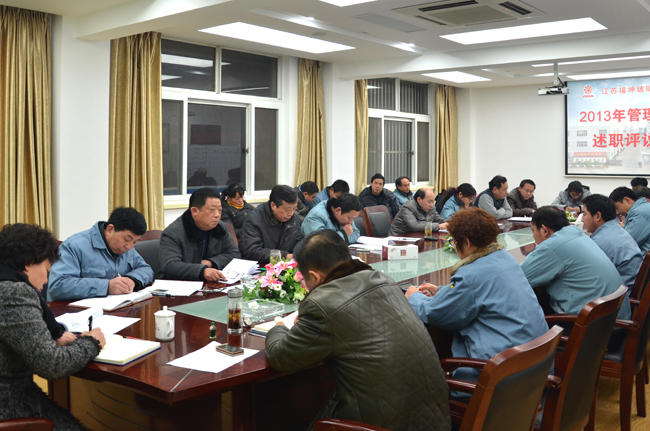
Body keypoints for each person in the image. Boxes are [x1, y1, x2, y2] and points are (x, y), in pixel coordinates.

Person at [265, 230, 451, 430]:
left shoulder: (322, 304)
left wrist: (279, 326)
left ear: (315, 276)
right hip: (435, 420)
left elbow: (280, 357)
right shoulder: (384, 280)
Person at [405, 208, 547, 388]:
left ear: (467, 242)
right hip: (532, 368)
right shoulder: (505, 258)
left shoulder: (471, 275)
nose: (454, 246)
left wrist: (414, 296)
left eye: (454, 241)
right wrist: (442, 292)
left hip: (498, 378)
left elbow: (435, 313)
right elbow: (478, 292)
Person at [0, 223, 106, 429]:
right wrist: (92, 342)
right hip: (10, 405)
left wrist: (51, 337)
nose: (46, 279)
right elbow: (53, 366)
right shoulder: (13, 293)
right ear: (29, 263)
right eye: (46, 270)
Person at [520, 206, 629, 319]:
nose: (533, 236)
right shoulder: (576, 234)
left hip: (590, 324)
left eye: (533, 230)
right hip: (615, 318)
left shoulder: (552, 246)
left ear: (544, 230)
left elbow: (519, 277)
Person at [48, 207, 154, 302]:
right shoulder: (73, 246)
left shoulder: (125, 248)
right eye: (126, 239)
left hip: (117, 309)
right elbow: (58, 286)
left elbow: (145, 269)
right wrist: (107, 286)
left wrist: (131, 279)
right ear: (110, 229)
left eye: (135, 242)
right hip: (78, 312)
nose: (129, 246)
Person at [160, 188, 241, 281]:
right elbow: (170, 266)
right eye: (212, 210)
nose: (217, 215)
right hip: (180, 285)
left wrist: (210, 263)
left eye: (220, 210)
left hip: (213, 284)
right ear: (194, 211)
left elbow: (234, 254)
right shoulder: (173, 233)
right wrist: (202, 271)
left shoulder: (220, 227)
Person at [581, 194, 643, 290]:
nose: (582, 219)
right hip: (628, 288)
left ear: (597, 216)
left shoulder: (601, 241)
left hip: (619, 294)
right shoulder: (615, 228)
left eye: (584, 214)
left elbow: (587, 276)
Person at [239, 185, 304, 264]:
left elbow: (299, 240)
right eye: (287, 210)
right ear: (273, 205)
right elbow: (252, 251)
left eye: (294, 208)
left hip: (285, 266)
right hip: (259, 266)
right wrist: (284, 256)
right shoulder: (254, 220)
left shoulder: (294, 218)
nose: (291, 213)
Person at [609, 186, 650, 255]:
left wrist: (621, 228)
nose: (617, 212)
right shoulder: (643, 207)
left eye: (617, 207)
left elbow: (627, 242)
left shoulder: (639, 213)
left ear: (627, 200)